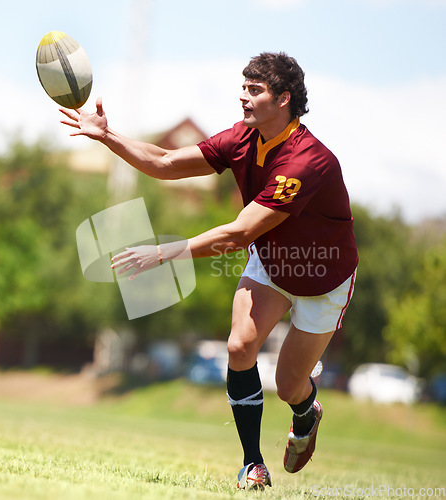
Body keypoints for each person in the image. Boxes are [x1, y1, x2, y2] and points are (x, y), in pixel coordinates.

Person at [60, 51, 358, 490]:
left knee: (289, 384)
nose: (243, 97)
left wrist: (165, 253)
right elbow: (162, 162)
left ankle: (305, 410)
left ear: (283, 100)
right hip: (274, 265)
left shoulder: (306, 161)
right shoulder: (242, 139)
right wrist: (108, 137)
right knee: (239, 347)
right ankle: (253, 465)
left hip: (322, 278)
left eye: (254, 90)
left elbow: (239, 234)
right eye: (243, 87)